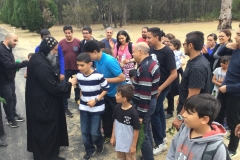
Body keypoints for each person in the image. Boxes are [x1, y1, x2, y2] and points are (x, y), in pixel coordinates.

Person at [25, 36, 77, 160]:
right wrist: (71, 83)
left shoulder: (37, 57)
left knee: (42, 129)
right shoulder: (41, 64)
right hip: (43, 105)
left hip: (38, 101)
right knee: (46, 130)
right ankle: (47, 156)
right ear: (47, 49)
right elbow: (53, 87)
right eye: (54, 50)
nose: (55, 53)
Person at [83, 40, 125, 144]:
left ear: (94, 52)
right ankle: (108, 135)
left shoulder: (109, 61)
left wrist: (103, 79)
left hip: (115, 94)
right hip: (105, 93)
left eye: (88, 55)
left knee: (117, 117)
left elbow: (122, 78)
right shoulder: (96, 61)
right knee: (105, 116)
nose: (88, 58)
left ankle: (119, 138)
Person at [166, 94, 227, 160]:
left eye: (189, 113)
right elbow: (173, 148)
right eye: (185, 110)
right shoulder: (184, 128)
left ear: (204, 119)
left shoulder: (216, 149)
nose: (183, 115)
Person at [172, 31, 211, 131]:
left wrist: (180, 117)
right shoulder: (195, 61)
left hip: (192, 113)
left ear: (190, 45)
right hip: (188, 109)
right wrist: (181, 97)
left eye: (184, 44)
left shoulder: (197, 67)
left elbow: (193, 96)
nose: (183, 46)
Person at [147, 27, 177, 155]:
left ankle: (160, 143)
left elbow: (173, 74)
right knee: (159, 111)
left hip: (162, 88)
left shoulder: (167, 52)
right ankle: (163, 136)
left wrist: (160, 88)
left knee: (153, 113)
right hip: (152, 87)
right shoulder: (151, 49)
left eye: (149, 37)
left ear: (157, 38)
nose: (147, 39)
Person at [76, 53, 109, 160]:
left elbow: (106, 89)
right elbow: (82, 90)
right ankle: (89, 149)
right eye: (78, 65)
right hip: (84, 107)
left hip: (97, 107)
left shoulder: (98, 75)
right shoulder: (79, 76)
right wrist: (81, 104)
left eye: (82, 65)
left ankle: (99, 144)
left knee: (94, 132)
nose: (79, 68)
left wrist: (96, 100)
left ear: (89, 64)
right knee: (85, 131)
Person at [132, 42, 160, 160]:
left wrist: (140, 114)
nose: (132, 54)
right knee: (147, 131)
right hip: (150, 102)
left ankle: (148, 157)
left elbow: (144, 93)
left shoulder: (144, 68)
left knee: (142, 136)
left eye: (133, 51)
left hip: (144, 105)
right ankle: (148, 155)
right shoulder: (152, 62)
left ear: (140, 51)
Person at [215, 28, 240, 158]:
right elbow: (219, 53)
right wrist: (226, 45)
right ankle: (216, 143)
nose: (235, 37)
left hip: (235, 95)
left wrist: (228, 88)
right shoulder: (236, 49)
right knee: (217, 116)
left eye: (239, 35)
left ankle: (232, 148)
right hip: (224, 90)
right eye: (237, 34)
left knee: (233, 122)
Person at [0, 33, 28, 128]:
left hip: (10, 79)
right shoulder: (1, 50)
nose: (16, 43)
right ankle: (10, 119)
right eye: (14, 40)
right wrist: (26, 63)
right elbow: (9, 65)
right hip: (3, 81)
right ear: (8, 39)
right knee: (8, 99)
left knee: (13, 97)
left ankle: (13, 114)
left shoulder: (8, 48)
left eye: (17, 41)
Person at [110, 84, 140, 160]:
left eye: (118, 94)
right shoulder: (117, 108)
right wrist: (113, 137)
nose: (115, 95)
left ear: (124, 98)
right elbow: (115, 122)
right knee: (120, 158)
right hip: (119, 142)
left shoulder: (133, 113)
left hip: (129, 144)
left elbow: (136, 130)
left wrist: (133, 146)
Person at [59, 25, 81, 117]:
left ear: (72, 32)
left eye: (69, 33)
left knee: (78, 87)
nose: (67, 34)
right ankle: (65, 107)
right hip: (65, 69)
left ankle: (78, 101)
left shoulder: (78, 42)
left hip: (76, 69)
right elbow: (59, 57)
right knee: (65, 87)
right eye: (66, 33)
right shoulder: (61, 43)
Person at [165, 39, 186, 119]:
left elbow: (180, 69)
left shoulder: (177, 57)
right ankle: (169, 107)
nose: (168, 46)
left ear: (176, 46)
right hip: (169, 76)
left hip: (173, 79)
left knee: (170, 94)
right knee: (168, 94)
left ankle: (170, 111)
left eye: (170, 45)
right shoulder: (170, 54)